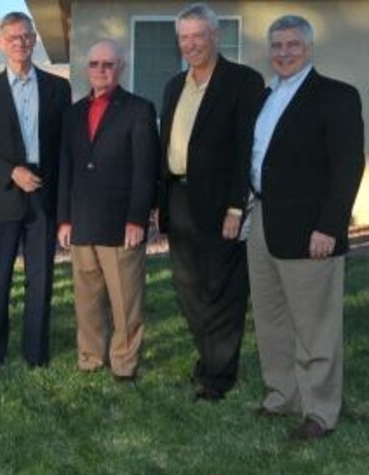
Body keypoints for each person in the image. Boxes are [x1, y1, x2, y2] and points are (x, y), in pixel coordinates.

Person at [248, 15, 365, 440]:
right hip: (262, 220)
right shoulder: (266, 97)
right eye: (277, 45)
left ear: (309, 48)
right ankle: (283, 395)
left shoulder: (336, 96)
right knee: (271, 318)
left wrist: (329, 227)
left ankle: (320, 410)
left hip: (311, 228)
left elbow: (348, 165)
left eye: (293, 44)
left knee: (315, 324)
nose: (284, 53)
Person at [158, 3, 264, 400]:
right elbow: (166, 145)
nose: (191, 44)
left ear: (215, 36)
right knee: (190, 288)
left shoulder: (243, 81)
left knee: (222, 290)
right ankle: (208, 360)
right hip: (178, 199)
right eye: (184, 38)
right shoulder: (174, 85)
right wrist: (159, 201)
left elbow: (245, 148)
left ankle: (219, 376)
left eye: (198, 36)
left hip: (221, 205)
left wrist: (237, 206)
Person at [0, 11, 71, 370]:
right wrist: (12, 171)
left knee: (40, 279)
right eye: (13, 37)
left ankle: (35, 354)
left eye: (26, 36)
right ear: (1, 42)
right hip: (5, 192)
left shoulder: (58, 88)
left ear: (35, 40)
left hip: (44, 192)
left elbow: (65, 147)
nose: (20, 43)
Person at [57, 40, 159, 381]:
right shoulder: (73, 114)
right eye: (95, 64)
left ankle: (124, 363)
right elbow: (66, 168)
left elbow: (145, 170)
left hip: (120, 223)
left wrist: (137, 218)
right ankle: (90, 357)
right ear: (87, 68)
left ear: (121, 69)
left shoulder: (138, 110)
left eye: (109, 64)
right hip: (82, 220)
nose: (101, 70)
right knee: (87, 299)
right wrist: (64, 219)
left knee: (125, 300)